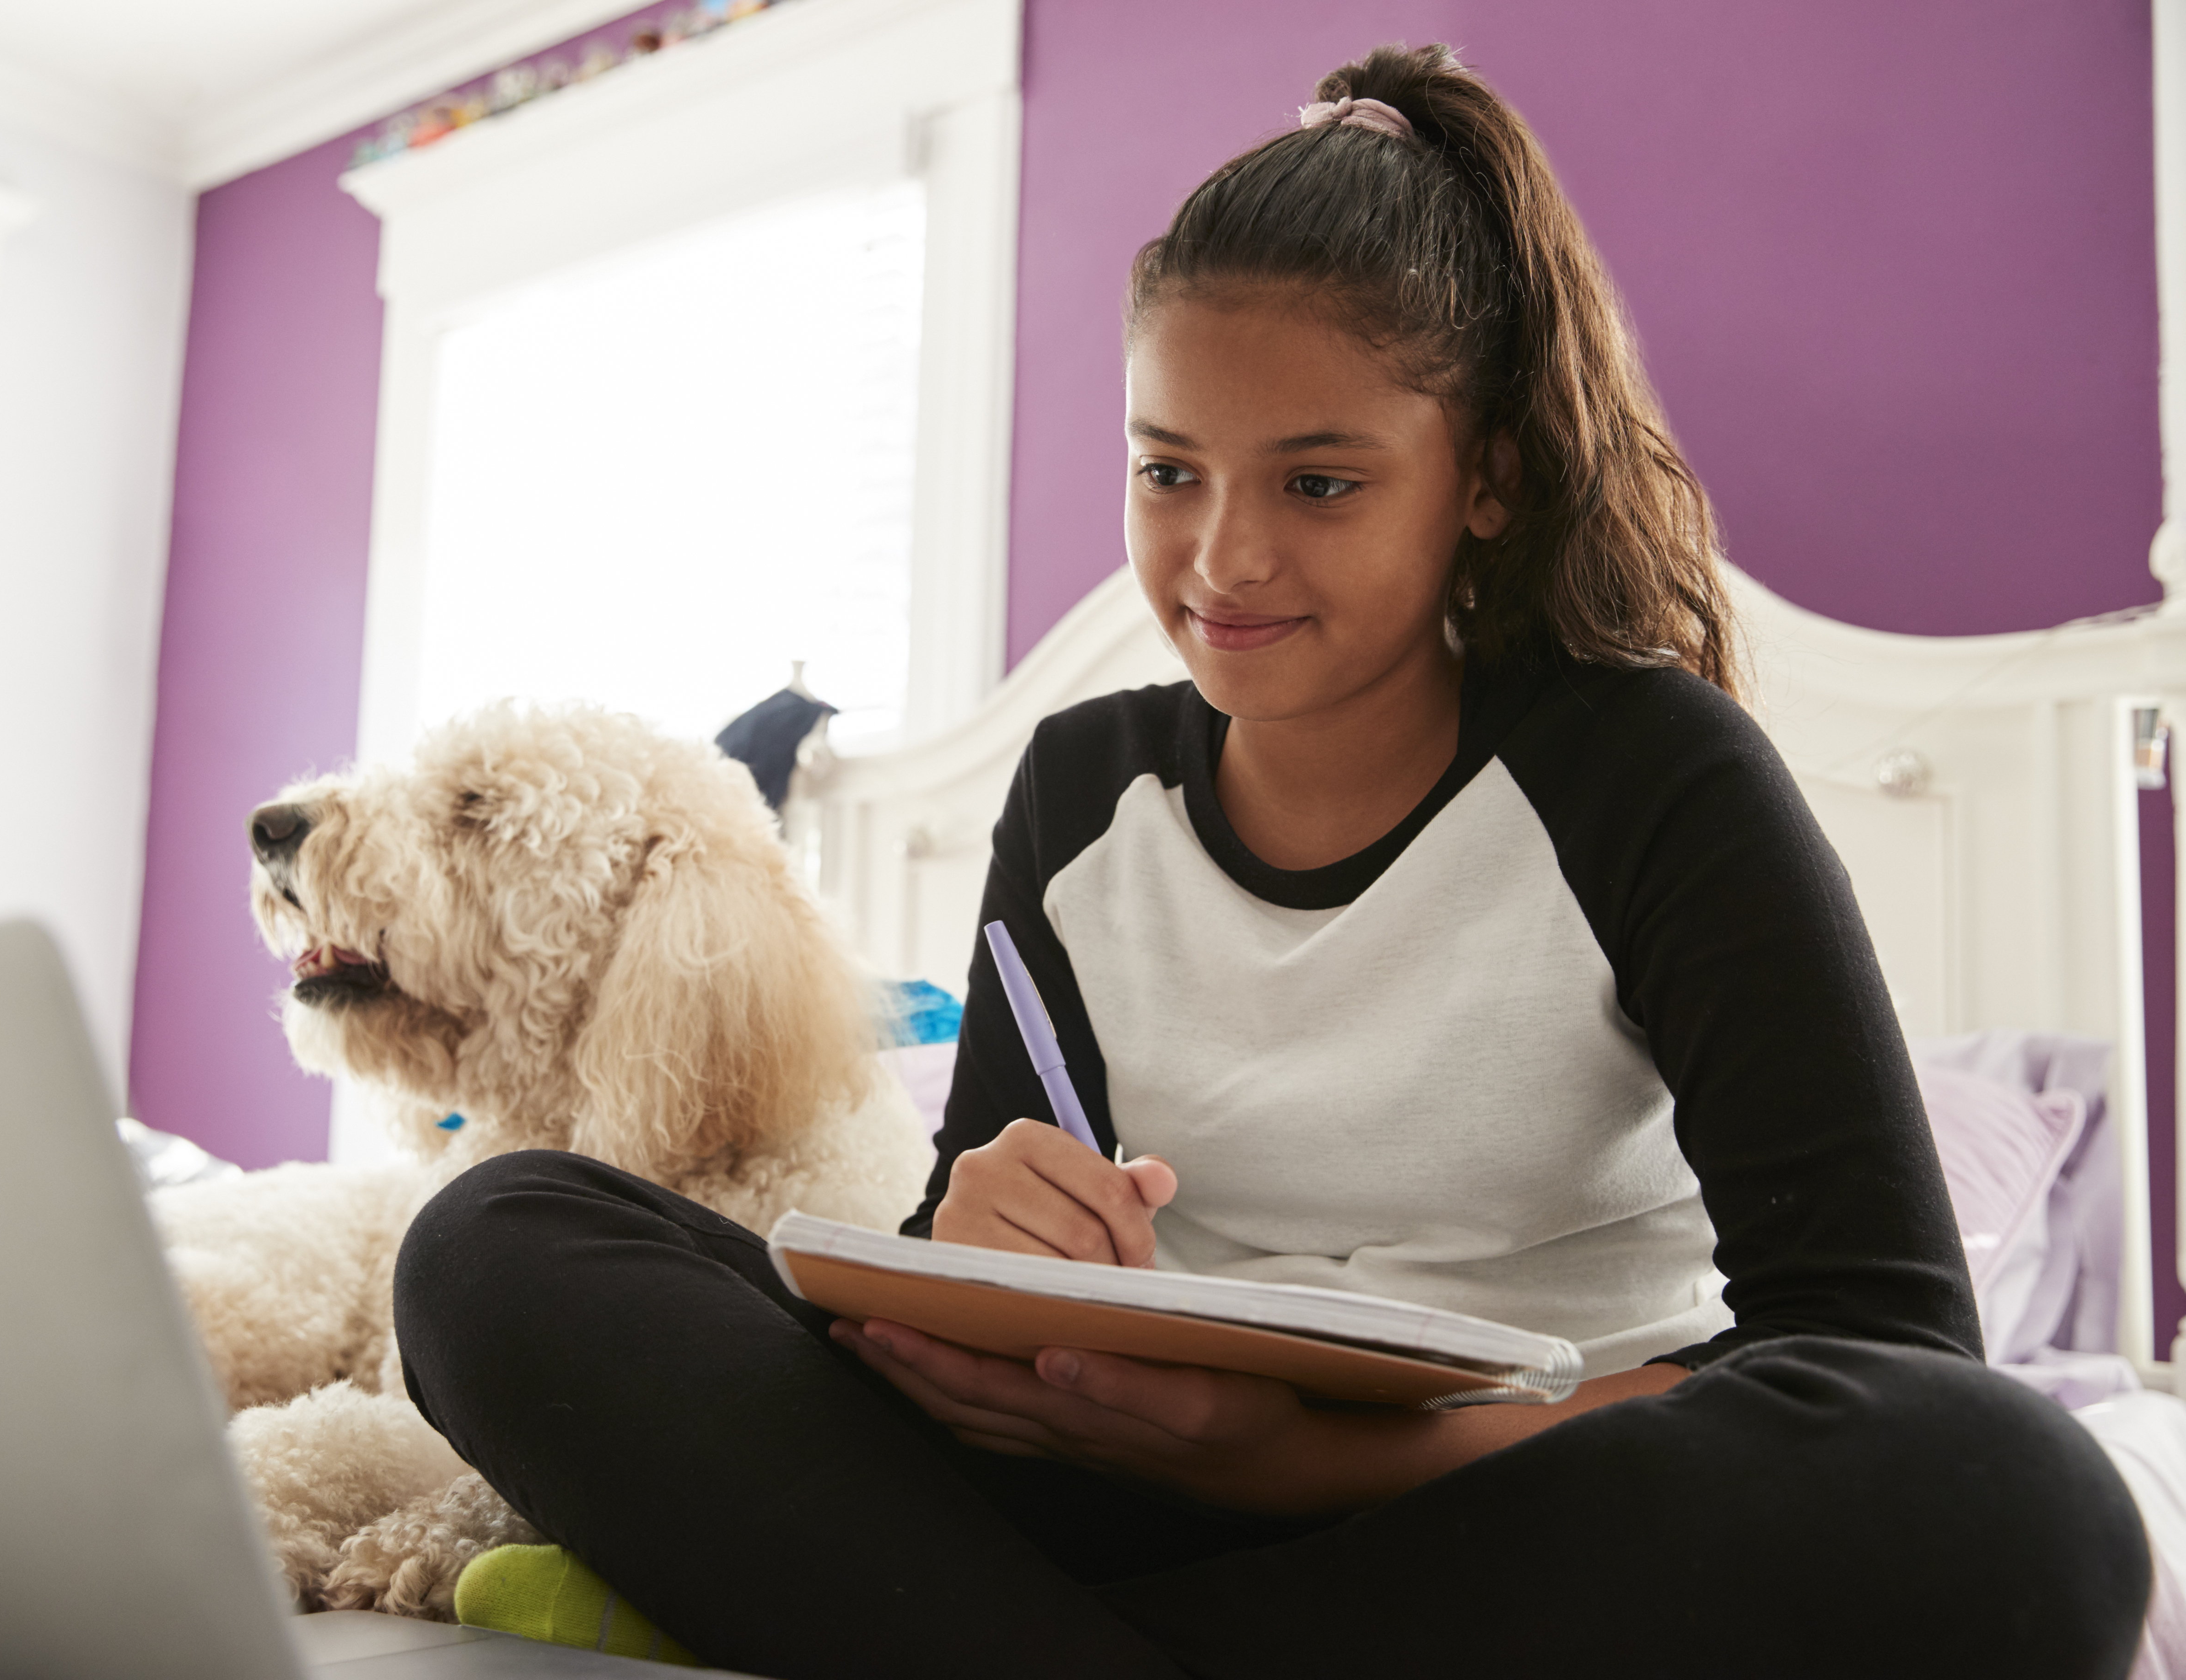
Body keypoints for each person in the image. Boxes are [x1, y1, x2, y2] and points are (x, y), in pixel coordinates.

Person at [393, 42, 2151, 1677]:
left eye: (1319, 484)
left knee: (2021, 1493)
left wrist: (1302, 1464)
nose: (1221, 559)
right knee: (496, 1238)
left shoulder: (1648, 775)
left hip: (1512, 1514)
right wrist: (978, 1240)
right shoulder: (1081, 793)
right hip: (1111, 1477)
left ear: (1487, 476)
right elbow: (971, 1274)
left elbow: (1885, 1347)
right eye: (1170, 471)